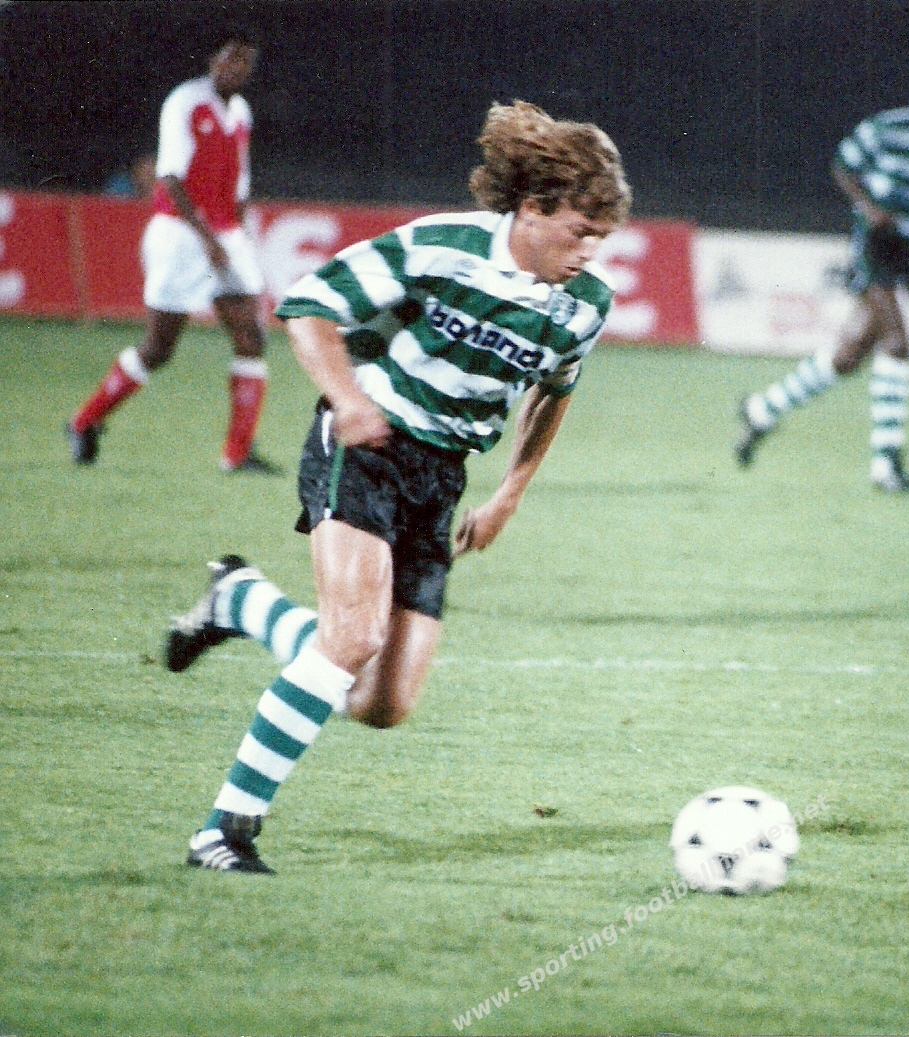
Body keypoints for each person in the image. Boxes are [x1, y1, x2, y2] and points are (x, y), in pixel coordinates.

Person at [167, 100, 630, 873]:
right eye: (579, 231)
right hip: (368, 444)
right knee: (350, 637)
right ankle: (223, 830)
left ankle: (239, 601)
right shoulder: (442, 247)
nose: (589, 251)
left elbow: (554, 392)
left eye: (600, 238)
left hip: (440, 475)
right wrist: (348, 399)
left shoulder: (584, 305)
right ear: (532, 208)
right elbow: (309, 306)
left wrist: (509, 491)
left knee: (381, 704)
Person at [734, 64, 909, 491]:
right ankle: (886, 465)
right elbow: (844, 164)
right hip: (877, 245)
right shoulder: (889, 128)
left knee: (848, 356)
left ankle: (763, 409)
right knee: (899, 343)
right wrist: (869, 208)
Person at [67, 28, 279, 474]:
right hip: (180, 235)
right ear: (212, 60)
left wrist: (236, 235)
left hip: (224, 235)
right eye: (231, 58)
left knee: (252, 336)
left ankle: (237, 454)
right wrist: (207, 239)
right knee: (159, 347)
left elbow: (239, 181)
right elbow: (170, 178)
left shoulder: (241, 111)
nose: (238, 68)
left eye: (245, 61)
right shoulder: (185, 102)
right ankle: (84, 421)